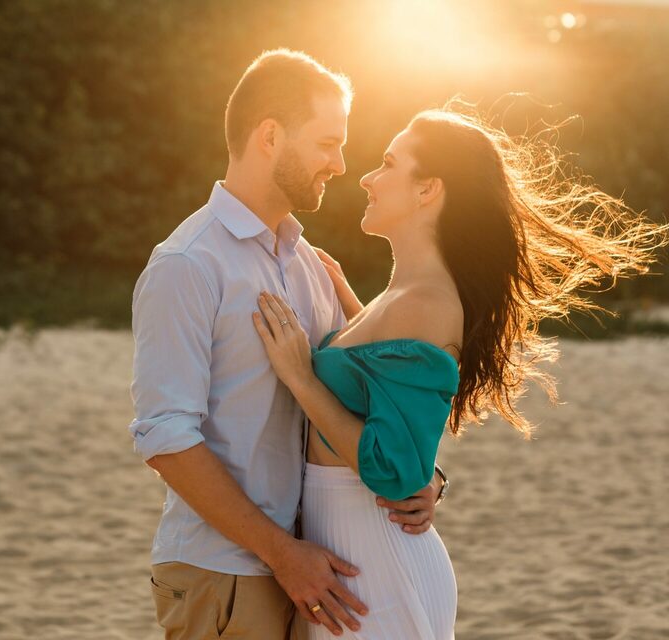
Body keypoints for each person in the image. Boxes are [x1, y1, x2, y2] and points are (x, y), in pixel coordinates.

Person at [252, 101, 667, 639]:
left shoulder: (423, 300)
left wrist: (302, 377)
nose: (369, 178)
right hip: (356, 558)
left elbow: (394, 469)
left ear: (429, 189)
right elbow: (389, 393)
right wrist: (353, 314)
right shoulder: (399, 296)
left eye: (388, 163)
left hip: (374, 569)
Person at [128, 49, 448, 640]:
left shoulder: (308, 265)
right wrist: (280, 552)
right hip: (221, 572)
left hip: (315, 570)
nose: (341, 164)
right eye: (328, 143)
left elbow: (354, 396)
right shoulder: (186, 264)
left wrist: (425, 479)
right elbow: (165, 437)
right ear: (270, 136)